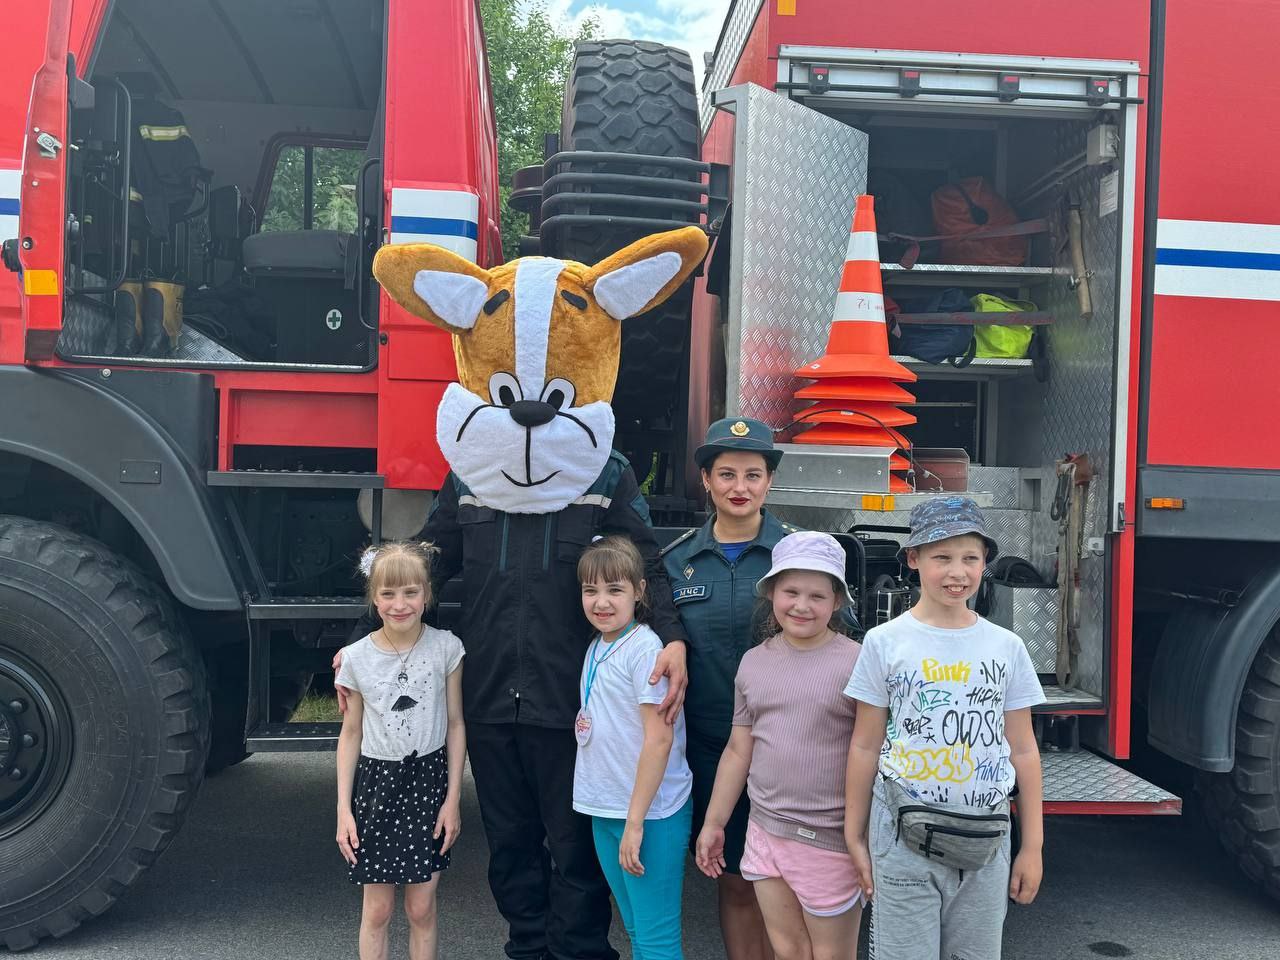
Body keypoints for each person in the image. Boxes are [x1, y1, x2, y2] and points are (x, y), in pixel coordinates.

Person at [843, 496, 1045, 960]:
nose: (957, 572)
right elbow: (865, 744)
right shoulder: (883, 642)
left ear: (985, 562)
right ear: (913, 559)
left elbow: (1023, 749)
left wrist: (1031, 846)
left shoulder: (1006, 647)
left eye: (970, 558)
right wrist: (854, 835)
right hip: (901, 837)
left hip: (986, 841)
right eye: (942, 557)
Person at [661, 417, 798, 960]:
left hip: (792, 746)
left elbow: (841, 642)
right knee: (738, 880)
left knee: (791, 882)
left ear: (769, 481)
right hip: (712, 746)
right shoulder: (676, 561)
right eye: (726, 474)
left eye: (753, 474)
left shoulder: (797, 553)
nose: (740, 487)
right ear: (706, 480)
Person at [694, 532, 864, 960]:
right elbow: (739, 749)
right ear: (771, 592)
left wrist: (861, 835)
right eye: (791, 592)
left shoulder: (858, 662)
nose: (802, 605)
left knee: (831, 954)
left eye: (817, 596)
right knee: (787, 949)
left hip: (829, 838)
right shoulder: (754, 662)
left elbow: (870, 752)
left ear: (837, 601)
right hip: (765, 831)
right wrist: (715, 822)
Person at [335, 541, 466, 960]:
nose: (399, 604)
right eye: (388, 594)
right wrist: (343, 810)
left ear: (427, 595)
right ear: (374, 599)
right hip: (377, 785)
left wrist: (453, 800)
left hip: (428, 782)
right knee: (377, 910)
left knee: (421, 907)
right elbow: (350, 734)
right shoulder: (356, 658)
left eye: (411, 592)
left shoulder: (447, 648)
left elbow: (456, 724)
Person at [572, 537, 693, 960]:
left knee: (657, 939)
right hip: (606, 807)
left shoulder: (645, 649)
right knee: (637, 931)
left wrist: (636, 823)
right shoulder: (597, 644)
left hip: (648, 815)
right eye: (590, 590)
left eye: (615, 590)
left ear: (639, 591)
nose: (601, 602)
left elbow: (659, 740)